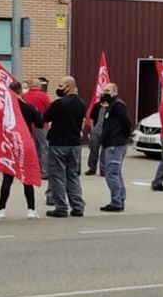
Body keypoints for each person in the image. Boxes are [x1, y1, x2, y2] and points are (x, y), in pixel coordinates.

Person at [0, 80, 43, 220]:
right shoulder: (29, 107)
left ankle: (1, 209)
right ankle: (31, 209)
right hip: (24, 144)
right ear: (21, 91)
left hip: (9, 145)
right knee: (27, 178)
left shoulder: (4, 109)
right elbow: (40, 123)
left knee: (7, 179)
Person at [43, 76, 87, 218]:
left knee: (57, 176)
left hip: (58, 144)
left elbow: (45, 118)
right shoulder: (82, 103)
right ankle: (78, 206)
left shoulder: (59, 104)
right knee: (73, 176)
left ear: (68, 86)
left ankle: (61, 207)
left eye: (61, 85)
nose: (59, 88)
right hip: (74, 144)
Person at [94, 83, 132, 212]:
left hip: (115, 144)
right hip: (111, 143)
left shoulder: (118, 105)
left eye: (108, 91)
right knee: (116, 173)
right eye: (104, 90)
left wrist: (121, 136)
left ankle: (116, 201)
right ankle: (120, 198)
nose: (105, 93)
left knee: (111, 174)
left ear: (115, 92)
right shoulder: (109, 106)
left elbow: (126, 123)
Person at [24, 76, 53, 201]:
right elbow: (49, 109)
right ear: (39, 86)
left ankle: (34, 169)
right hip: (42, 125)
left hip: (29, 126)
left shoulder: (25, 96)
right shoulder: (43, 96)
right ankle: (44, 171)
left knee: (34, 148)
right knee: (44, 147)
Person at [85, 92, 106, 176]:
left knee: (104, 152)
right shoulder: (97, 106)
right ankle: (92, 168)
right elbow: (92, 118)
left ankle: (103, 169)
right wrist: (92, 130)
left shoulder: (111, 107)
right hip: (95, 131)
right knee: (93, 151)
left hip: (106, 132)